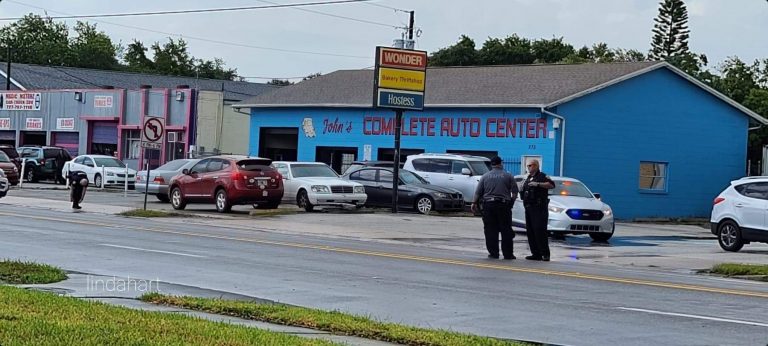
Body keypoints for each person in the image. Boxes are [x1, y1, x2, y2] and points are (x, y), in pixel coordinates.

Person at [471, 156, 519, 260]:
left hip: (489, 206)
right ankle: (508, 254)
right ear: (501, 163)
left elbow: (478, 192)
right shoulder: (508, 176)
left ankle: (494, 253)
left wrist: (474, 203)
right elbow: (515, 192)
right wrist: (511, 203)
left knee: (490, 230)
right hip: (503, 205)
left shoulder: (485, 176)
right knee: (506, 230)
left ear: (492, 164)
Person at [520, 159, 555, 261]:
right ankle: (535, 253)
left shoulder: (542, 176)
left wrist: (538, 184)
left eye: (530, 165)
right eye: (528, 166)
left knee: (539, 230)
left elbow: (552, 185)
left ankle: (545, 254)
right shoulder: (528, 178)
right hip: (529, 207)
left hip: (539, 207)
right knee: (530, 231)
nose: (528, 168)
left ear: (536, 166)